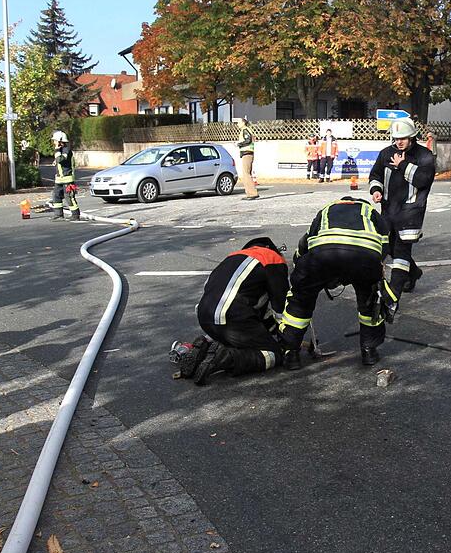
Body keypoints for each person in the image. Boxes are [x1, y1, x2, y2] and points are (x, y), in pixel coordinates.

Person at [279, 197, 397, 369]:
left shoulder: (326, 210)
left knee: (300, 301)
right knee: (370, 301)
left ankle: (291, 354)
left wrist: (301, 271)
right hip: (364, 257)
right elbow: (385, 245)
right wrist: (373, 269)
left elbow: (304, 243)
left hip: (322, 256)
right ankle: (369, 351)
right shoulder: (371, 212)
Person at [171, 237, 289, 385]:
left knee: (237, 337)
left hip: (205, 317)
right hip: (231, 318)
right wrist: (289, 339)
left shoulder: (233, 257)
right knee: (275, 354)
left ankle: (205, 346)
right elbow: (281, 307)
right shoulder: (273, 259)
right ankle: (226, 358)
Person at [368, 117, 436, 297]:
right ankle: (413, 273)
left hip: (410, 213)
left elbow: (423, 180)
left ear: (412, 137)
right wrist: (376, 190)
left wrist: (403, 165)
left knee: (401, 251)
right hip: (388, 211)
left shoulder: (424, 156)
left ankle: (394, 292)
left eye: (403, 138)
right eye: (396, 138)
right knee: (388, 247)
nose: (399, 142)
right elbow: (375, 175)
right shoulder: (386, 153)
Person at [50, 130, 80, 221]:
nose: (54, 142)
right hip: (59, 179)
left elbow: (60, 159)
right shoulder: (59, 150)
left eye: (55, 140)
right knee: (56, 196)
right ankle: (58, 214)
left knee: (69, 197)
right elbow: (58, 161)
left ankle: (75, 215)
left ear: (60, 141)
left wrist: (56, 150)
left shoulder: (66, 150)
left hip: (67, 179)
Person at [234, 116, 259, 200]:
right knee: (247, 174)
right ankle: (250, 193)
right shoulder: (247, 129)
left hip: (247, 153)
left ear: (243, 122)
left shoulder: (245, 130)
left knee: (246, 174)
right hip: (248, 153)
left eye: (238, 122)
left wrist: (238, 144)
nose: (237, 124)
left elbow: (248, 140)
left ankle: (252, 193)